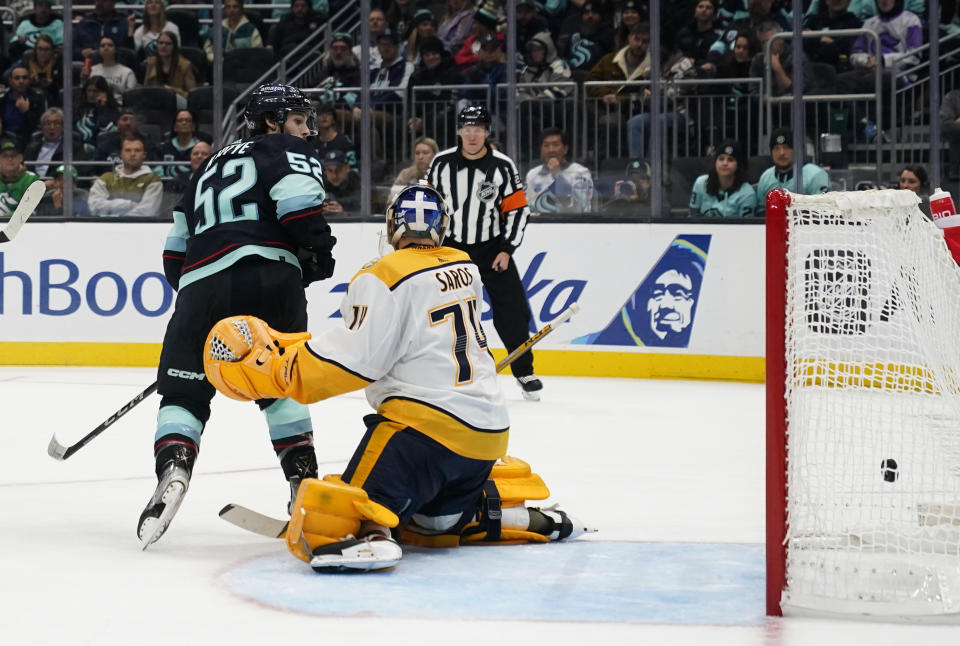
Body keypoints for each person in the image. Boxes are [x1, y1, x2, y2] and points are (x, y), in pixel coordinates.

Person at [202, 182, 590, 572]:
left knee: (347, 510)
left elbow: (354, 361)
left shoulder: (383, 275)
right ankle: (528, 520)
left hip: (424, 433)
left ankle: (372, 538)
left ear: (392, 227)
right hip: (488, 436)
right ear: (443, 225)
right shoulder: (464, 265)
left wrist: (281, 371)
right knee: (433, 524)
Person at [138, 83, 337, 548]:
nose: (306, 130)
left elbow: (173, 255)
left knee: (182, 393)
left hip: (199, 284)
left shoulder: (207, 164)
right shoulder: (286, 148)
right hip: (270, 275)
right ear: (272, 121)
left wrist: (196, 299)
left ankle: (174, 466)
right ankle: (300, 483)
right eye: (298, 120)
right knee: (282, 381)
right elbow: (300, 212)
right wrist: (316, 255)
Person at [427, 105, 543, 400]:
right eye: (467, 129)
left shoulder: (502, 166)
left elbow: (518, 211)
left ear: (487, 132)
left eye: (478, 129)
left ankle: (523, 371)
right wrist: (430, 245)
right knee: (446, 312)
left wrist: (507, 249)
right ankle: (445, 369)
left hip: (492, 249)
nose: (472, 135)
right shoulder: (440, 164)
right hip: (451, 249)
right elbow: (428, 203)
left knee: (514, 311)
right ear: (458, 132)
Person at [88, 135, 163, 217]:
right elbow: (94, 207)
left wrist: (115, 217)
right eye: (128, 150)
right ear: (121, 154)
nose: (132, 154)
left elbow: (147, 212)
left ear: (144, 155)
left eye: (137, 150)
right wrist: (128, 205)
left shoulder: (152, 180)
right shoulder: (106, 178)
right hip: (105, 228)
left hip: (140, 229)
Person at [525, 128, 594, 214]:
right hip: (540, 224)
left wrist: (557, 175)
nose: (551, 150)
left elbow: (580, 207)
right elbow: (528, 207)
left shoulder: (580, 172)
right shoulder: (533, 174)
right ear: (541, 150)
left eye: (555, 145)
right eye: (546, 145)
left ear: (565, 149)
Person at [756, 128, 830, 203]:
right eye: (776, 148)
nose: (781, 153)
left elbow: (823, 210)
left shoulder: (816, 175)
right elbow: (761, 211)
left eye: (786, 147)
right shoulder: (765, 177)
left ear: (796, 150)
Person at [689, 139, 757, 217]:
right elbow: (692, 217)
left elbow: (747, 227)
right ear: (715, 162)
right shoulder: (700, 183)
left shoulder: (747, 193)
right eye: (721, 159)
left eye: (730, 160)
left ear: (738, 165)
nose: (725, 163)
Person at [23, 107, 85, 180]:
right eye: (48, 123)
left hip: (58, 185)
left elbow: (77, 170)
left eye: (56, 123)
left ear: (62, 126)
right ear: (42, 126)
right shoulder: (32, 147)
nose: (52, 127)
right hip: (33, 185)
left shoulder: (73, 147)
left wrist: (54, 181)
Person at [155, 109, 211, 181]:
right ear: (174, 126)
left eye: (187, 120)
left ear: (193, 126)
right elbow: (158, 172)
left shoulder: (201, 149)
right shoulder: (163, 148)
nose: (184, 123)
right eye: (180, 120)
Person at [0, 66, 47, 148]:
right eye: (17, 78)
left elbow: (41, 126)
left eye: (24, 78)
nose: (21, 81)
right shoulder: (2, 99)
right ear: (10, 81)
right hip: (5, 138)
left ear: (29, 80)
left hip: (29, 140)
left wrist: (26, 112)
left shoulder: (38, 97)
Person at [143, 31, 197, 101]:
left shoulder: (185, 65)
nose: (163, 46)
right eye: (160, 43)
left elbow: (193, 95)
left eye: (168, 44)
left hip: (177, 101)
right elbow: (145, 88)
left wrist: (175, 91)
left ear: (174, 46)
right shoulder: (151, 63)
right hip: (155, 101)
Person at [75, 76, 120, 157]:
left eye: (95, 91)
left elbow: (107, 128)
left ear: (103, 92)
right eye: (88, 91)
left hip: (104, 150)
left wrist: (102, 107)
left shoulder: (113, 109)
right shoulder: (78, 108)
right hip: (80, 149)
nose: (91, 94)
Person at [84, 36, 137, 104]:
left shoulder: (127, 72)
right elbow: (85, 94)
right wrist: (83, 78)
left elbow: (131, 98)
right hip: (95, 106)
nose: (106, 48)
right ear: (99, 50)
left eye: (110, 45)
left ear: (115, 50)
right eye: (102, 46)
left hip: (119, 108)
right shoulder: (92, 70)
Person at [0, 137, 41, 219]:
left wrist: (3, 217)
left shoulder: (32, 180)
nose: (9, 159)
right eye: (5, 156)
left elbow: (29, 210)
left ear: (20, 158)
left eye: (13, 155)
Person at [21, 34, 62, 107]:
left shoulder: (58, 62)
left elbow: (61, 85)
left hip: (52, 97)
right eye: (40, 49)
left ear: (52, 50)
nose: (43, 53)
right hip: (30, 97)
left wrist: (51, 84)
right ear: (35, 50)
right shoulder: (27, 62)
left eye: (46, 49)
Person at [313, 102, 357, 169]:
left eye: (328, 113)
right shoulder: (312, 145)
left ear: (333, 120)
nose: (324, 116)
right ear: (316, 120)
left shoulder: (344, 142)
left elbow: (353, 168)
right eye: (320, 114)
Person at [321, 149, 360, 214]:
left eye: (338, 170)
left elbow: (363, 205)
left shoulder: (359, 181)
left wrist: (345, 212)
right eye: (330, 171)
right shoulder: (321, 183)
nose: (334, 176)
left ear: (347, 168)